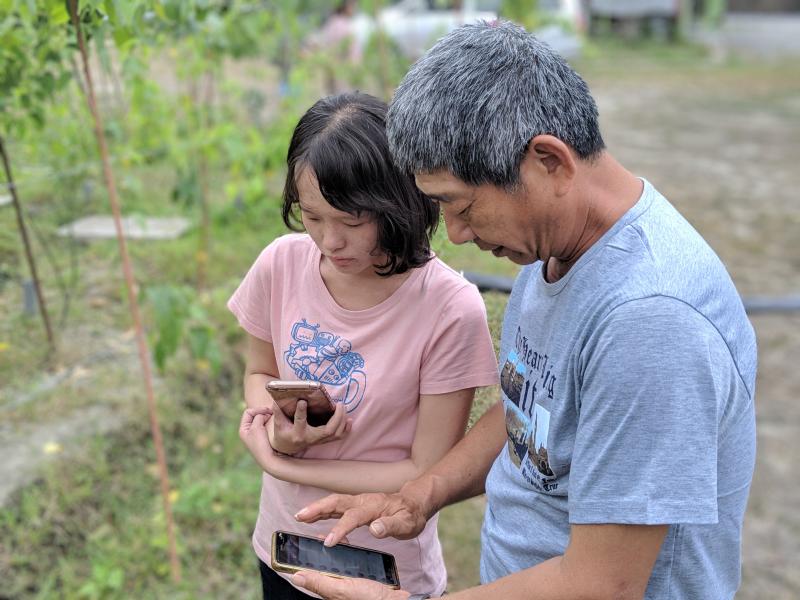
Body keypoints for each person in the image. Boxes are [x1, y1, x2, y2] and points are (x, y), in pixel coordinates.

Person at [289, 21, 758, 600]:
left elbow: (601, 586)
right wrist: (420, 495)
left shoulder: (649, 320)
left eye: (459, 205)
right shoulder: (556, 245)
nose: (455, 234)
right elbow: (530, 411)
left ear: (549, 162)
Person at [230, 92, 499, 599]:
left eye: (352, 222)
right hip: (282, 545)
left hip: (383, 563)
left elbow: (424, 470)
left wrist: (285, 463)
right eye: (312, 217)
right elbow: (258, 374)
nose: (330, 241)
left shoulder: (448, 308)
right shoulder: (280, 265)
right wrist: (277, 423)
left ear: (401, 203)